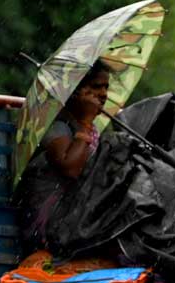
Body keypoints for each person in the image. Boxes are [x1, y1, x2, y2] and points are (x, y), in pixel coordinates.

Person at [17, 60, 112, 250]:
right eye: (96, 87)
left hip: (76, 217)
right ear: (75, 91)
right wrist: (85, 121)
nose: (103, 94)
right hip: (50, 225)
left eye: (106, 87)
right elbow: (71, 169)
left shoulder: (90, 129)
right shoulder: (58, 127)